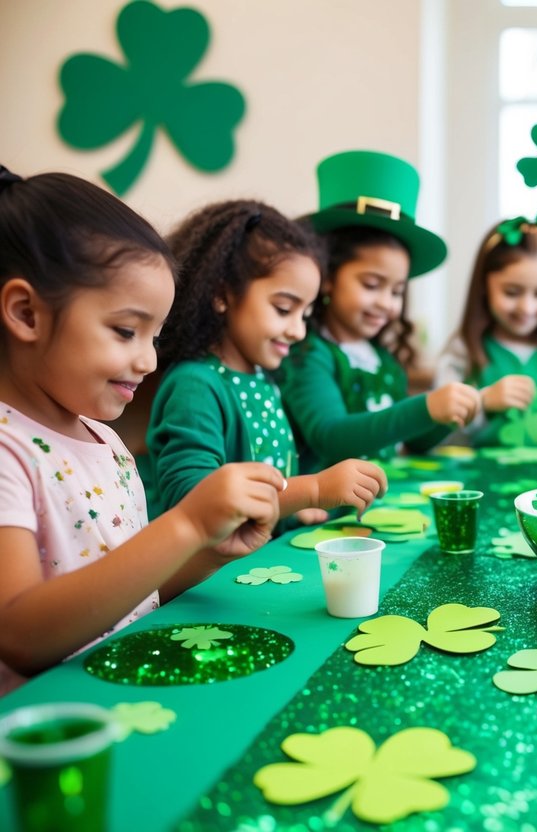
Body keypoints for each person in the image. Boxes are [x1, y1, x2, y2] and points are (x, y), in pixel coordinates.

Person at [0, 167, 282, 694]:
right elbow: (18, 633)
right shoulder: (9, 451)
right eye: (127, 331)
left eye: (156, 336)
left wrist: (206, 553)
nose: (149, 360)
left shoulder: (105, 442)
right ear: (26, 313)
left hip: (123, 695)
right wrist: (186, 528)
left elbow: (128, 592)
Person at [146, 200, 386, 527]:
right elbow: (194, 504)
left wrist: (291, 511)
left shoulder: (261, 377)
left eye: (306, 314)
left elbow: (270, 491)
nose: (298, 330)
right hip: (204, 575)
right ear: (222, 294)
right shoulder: (195, 385)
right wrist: (311, 490)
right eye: (284, 309)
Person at [281, 151, 479, 468]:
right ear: (328, 277)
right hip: (329, 512)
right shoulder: (307, 355)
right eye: (371, 285)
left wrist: (446, 416)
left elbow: (404, 438)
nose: (387, 303)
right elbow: (330, 436)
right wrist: (426, 408)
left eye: (397, 291)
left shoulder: (383, 360)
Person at [432, 212, 537, 446]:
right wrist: (484, 401)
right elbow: (439, 426)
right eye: (512, 292)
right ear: (484, 286)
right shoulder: (463, 349)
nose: (527, 307)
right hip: (484, 477)